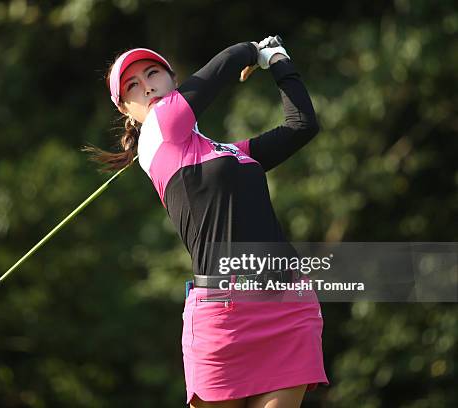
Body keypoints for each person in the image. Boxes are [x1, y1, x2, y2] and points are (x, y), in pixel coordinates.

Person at [85, 36, 329, 408]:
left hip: (286, 307)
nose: (147, 85)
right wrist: (253, 49)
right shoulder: (156, 134)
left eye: (153, 74)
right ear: (126, 109)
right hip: (224, 317)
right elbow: (221, 67)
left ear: (172, 78)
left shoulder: (233, 153)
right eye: (132, 85)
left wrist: (279, 60)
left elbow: (302, 126)